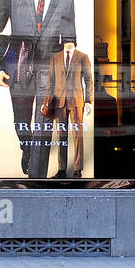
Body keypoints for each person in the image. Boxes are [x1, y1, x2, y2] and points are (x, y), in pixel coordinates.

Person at [0, 0, 77, 179]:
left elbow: (70, 38)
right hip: (18, 67)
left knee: (45, 124)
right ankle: (27, 148)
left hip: (49, 70)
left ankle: (37, 179)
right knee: (22, 122)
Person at [46, 42, 93, 179]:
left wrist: (88, 100)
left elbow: (89, 80)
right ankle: (62, 169)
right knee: (62, 136)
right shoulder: (55, 57)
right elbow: (50, 79)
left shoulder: (83, 57)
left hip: (77, 101)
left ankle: (78, 169)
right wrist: (48, 100)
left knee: (77, 136)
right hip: (59, 101)